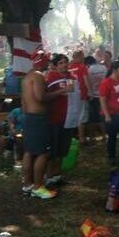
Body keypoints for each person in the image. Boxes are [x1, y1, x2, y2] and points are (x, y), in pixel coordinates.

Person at [20, 50, 59, 199]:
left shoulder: (26, 77)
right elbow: (40, 97)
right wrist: (58, 92)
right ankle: (38, 187)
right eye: (47, 61)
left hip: (28, 116)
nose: (48, 64)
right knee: (43, 152)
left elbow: (23, 101)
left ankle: (27, 184)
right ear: (42, 61)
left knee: (29, 151)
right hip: (37, 118)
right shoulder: (38, 76)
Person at [45, 54, 81, 185]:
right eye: (60, 63)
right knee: (52, 149)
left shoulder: (73, 78)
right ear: (55, 65)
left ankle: (57, 175)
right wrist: (61, 91)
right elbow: (45, 97)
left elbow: (77, 98)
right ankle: (48, 176)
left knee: (62, 149)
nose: (64, 65)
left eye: (65, 62)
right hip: (54, 118)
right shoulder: (51, 77)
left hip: (68, 118)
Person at [99, 61, 119, 167]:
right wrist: (107, 115)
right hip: (112, 113)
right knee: (112, 137)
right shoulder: (106, 82)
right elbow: (102, 100)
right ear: (114, 70)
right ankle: (111, 157)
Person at [69, 50, 90, 144]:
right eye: (82, 56)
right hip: (81, 94)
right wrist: (90, 91)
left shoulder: (68, 67)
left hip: (70, 94)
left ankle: (72, 137)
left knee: (73, 115)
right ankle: (82, 138)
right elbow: (86, 80)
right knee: (82, 116)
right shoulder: (82, 67)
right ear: (78, 57)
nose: (83, 58)